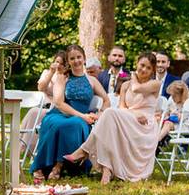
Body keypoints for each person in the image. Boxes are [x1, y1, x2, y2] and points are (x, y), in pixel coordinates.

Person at [66, 52, 162, 184]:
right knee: (110, 118)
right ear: (137, 63)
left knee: (110, 113)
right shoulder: (125, 85)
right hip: (129, 119)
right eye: (142, 65)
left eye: (148, 68)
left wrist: (133, 76)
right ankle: (107, 169)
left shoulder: (155, 84)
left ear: (153, 70)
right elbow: (122, 107)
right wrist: (134, 114)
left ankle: (85, 150)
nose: (144, 69)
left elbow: (136, 88)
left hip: (145, 125)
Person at [31, 44, 110, 183]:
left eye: (79, 57)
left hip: (82, 118)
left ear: (84, 58)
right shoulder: (63, 77)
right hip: (60, 114)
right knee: (58, 124)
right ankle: (45, 166)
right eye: (72, 58)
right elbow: (59, 102)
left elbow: (106, 100)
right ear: (68, 61)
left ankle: (59, 165)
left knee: (75, 124)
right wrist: (82, 115)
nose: (76, 61)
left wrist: (99, 114)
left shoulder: (92, 80)